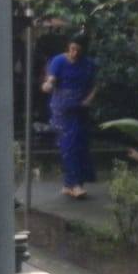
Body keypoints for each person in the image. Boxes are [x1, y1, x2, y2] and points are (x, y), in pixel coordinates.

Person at [41, 34, 97, 199]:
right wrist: (48, 84)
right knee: (68, 144)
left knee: (80, 144)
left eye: (78, 50)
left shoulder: (88, 64)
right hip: (62, 109)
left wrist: (89, 99)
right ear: (68, 47)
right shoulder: (59, 61)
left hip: (80, 108)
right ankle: (75, 184)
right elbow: (51, 79)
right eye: (72, 49)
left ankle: (69, 184)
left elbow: (95, 85)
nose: (74, 53)